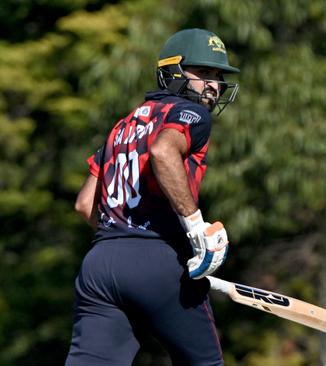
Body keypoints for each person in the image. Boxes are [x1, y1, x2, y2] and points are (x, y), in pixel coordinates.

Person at [66, 28, 240, 365]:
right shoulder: (192, 115)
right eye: (203, 73)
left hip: (99, 263)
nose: (214, 85)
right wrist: (196, 230)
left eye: (218, 76)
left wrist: (122, 244)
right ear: (172, 72)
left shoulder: (121, 124)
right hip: (158, 260)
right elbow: (163, 152)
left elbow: (84, 204)